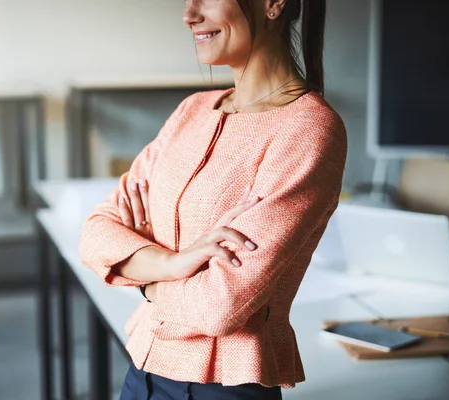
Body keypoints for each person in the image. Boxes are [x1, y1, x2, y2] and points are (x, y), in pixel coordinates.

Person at [78, 0, 347, 398]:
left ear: (273, 4)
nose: (189, 15)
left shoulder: (307, 129)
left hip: (222, 386)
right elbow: (96, 234)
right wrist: (174, 262)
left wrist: (144, 279)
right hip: (142, 373)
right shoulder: (193, 110)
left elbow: (219, 306)